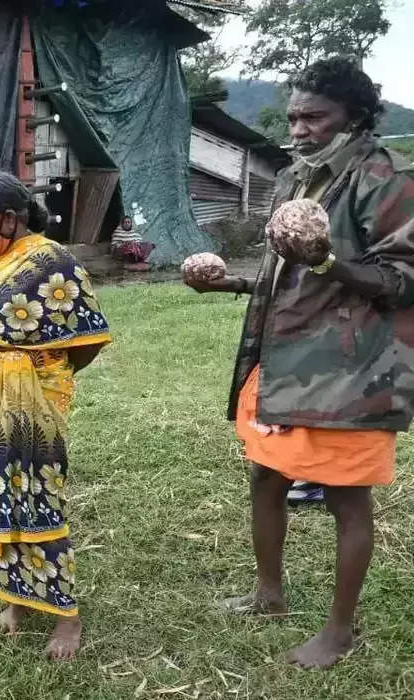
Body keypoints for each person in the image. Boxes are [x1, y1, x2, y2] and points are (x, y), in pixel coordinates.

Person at [183, 56, 414, 669]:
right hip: (281, 361)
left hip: (348, 369)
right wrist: (227, 282)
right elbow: (282, 275)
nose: (300, 127)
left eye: (315, 116)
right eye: (293, 116)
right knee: (266, 475)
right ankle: (269, 596)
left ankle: (340, 633)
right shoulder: (294, 178)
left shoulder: (382, 177)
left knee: (345, 499)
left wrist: (326, 260)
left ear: (355, 116)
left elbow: (403, 280)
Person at [0, 171, 111, 661]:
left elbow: (88, 336)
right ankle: (16, 598)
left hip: (26, 404)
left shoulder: (53, 261)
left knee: (31, 497)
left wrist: (42, 373)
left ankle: (67, 617)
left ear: (10, 218)